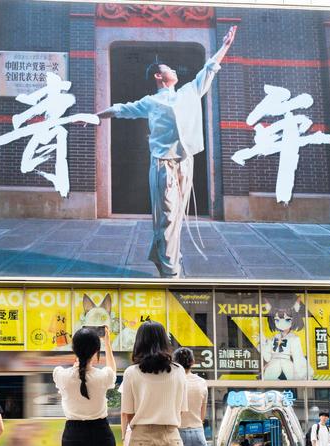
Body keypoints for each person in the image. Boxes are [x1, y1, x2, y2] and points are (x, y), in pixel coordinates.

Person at [96, 25, 237, 278]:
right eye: (167, 69)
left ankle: (165, 256)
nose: (173, 70)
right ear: (158, 77)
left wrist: (224, 46)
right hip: (163, 166)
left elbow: (209, 70)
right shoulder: (151, 101)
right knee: (168, 217)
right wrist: (95, 117)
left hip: (186, 162)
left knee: (176, 218)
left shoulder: (189, 92)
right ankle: (171, 272)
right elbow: (121, 109)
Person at [121, 321, 188, 446]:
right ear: (164, 341)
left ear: (139, 343)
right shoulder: (179, 371)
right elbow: (181, 410)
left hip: (142, 440)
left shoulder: (131, 373)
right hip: (172, 438)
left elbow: (128, 412)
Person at [53, 326, 116, 446]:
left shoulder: (60, 375)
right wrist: (107, 344)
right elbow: (112, 371)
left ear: (74, 349)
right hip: (101, 434)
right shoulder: (103, 376)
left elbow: (77, 373)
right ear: (95, 351)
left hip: (73, 436)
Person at [173, 348, 208, 446]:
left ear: (175, 362)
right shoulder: (202, 382)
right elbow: (202, 414)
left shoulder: (174, 382)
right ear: (192, 362)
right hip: (198, 432)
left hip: (179, 431)